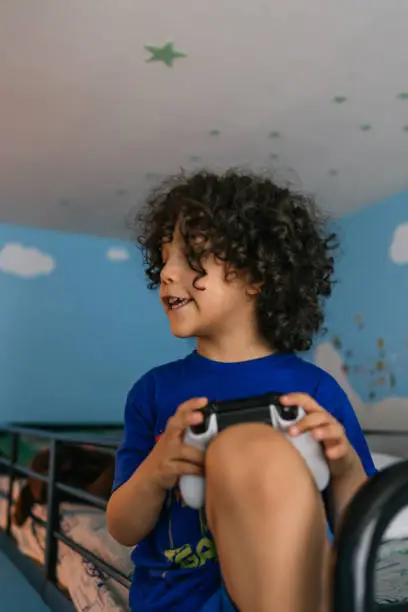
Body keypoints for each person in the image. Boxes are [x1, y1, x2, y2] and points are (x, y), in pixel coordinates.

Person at [107, 170, 376, 612]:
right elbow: (121, 527)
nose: (168, 274)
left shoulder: (314, 390)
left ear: (257, 276)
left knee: (250, 452)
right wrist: (156, 470)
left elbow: (360, 528)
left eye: (191, 256)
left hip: (299, 593)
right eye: (164, 256)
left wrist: (345, 469)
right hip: (181, 603)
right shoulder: (153, 392)